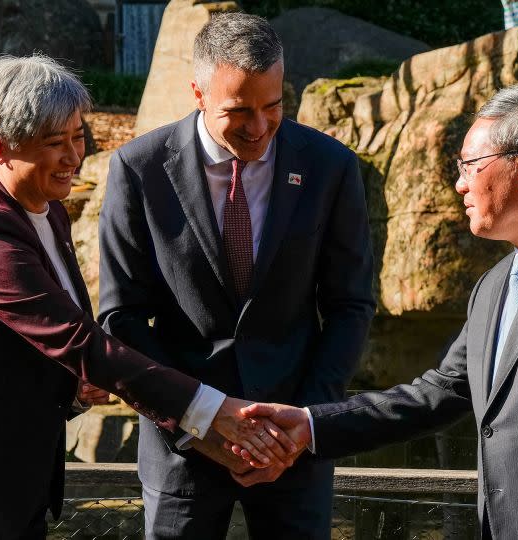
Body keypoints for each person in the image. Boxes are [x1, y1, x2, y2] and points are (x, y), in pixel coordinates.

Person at [0, 54, 293, 540]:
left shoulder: (46, 211)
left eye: (78, 136)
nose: (73, 156)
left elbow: (50, 349)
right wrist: (214, 411)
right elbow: (80, 342)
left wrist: (73, 388)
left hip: (3, 489)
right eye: (54, 143)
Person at [239, 85, 518, 539]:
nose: (459, 183)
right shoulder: (494, 286)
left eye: (470, 166)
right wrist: (312, 425)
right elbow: (435, 395)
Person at [97, 12, 375, 540]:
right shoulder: (139, 168)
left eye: (273, 107)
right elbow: (119, 316)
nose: (259, 127)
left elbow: (350, 305)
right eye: (238, 110)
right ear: (197, 92)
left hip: (292, 444)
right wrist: (199, 423)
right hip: (182, 446)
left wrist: (301, 426)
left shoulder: (330, 166)